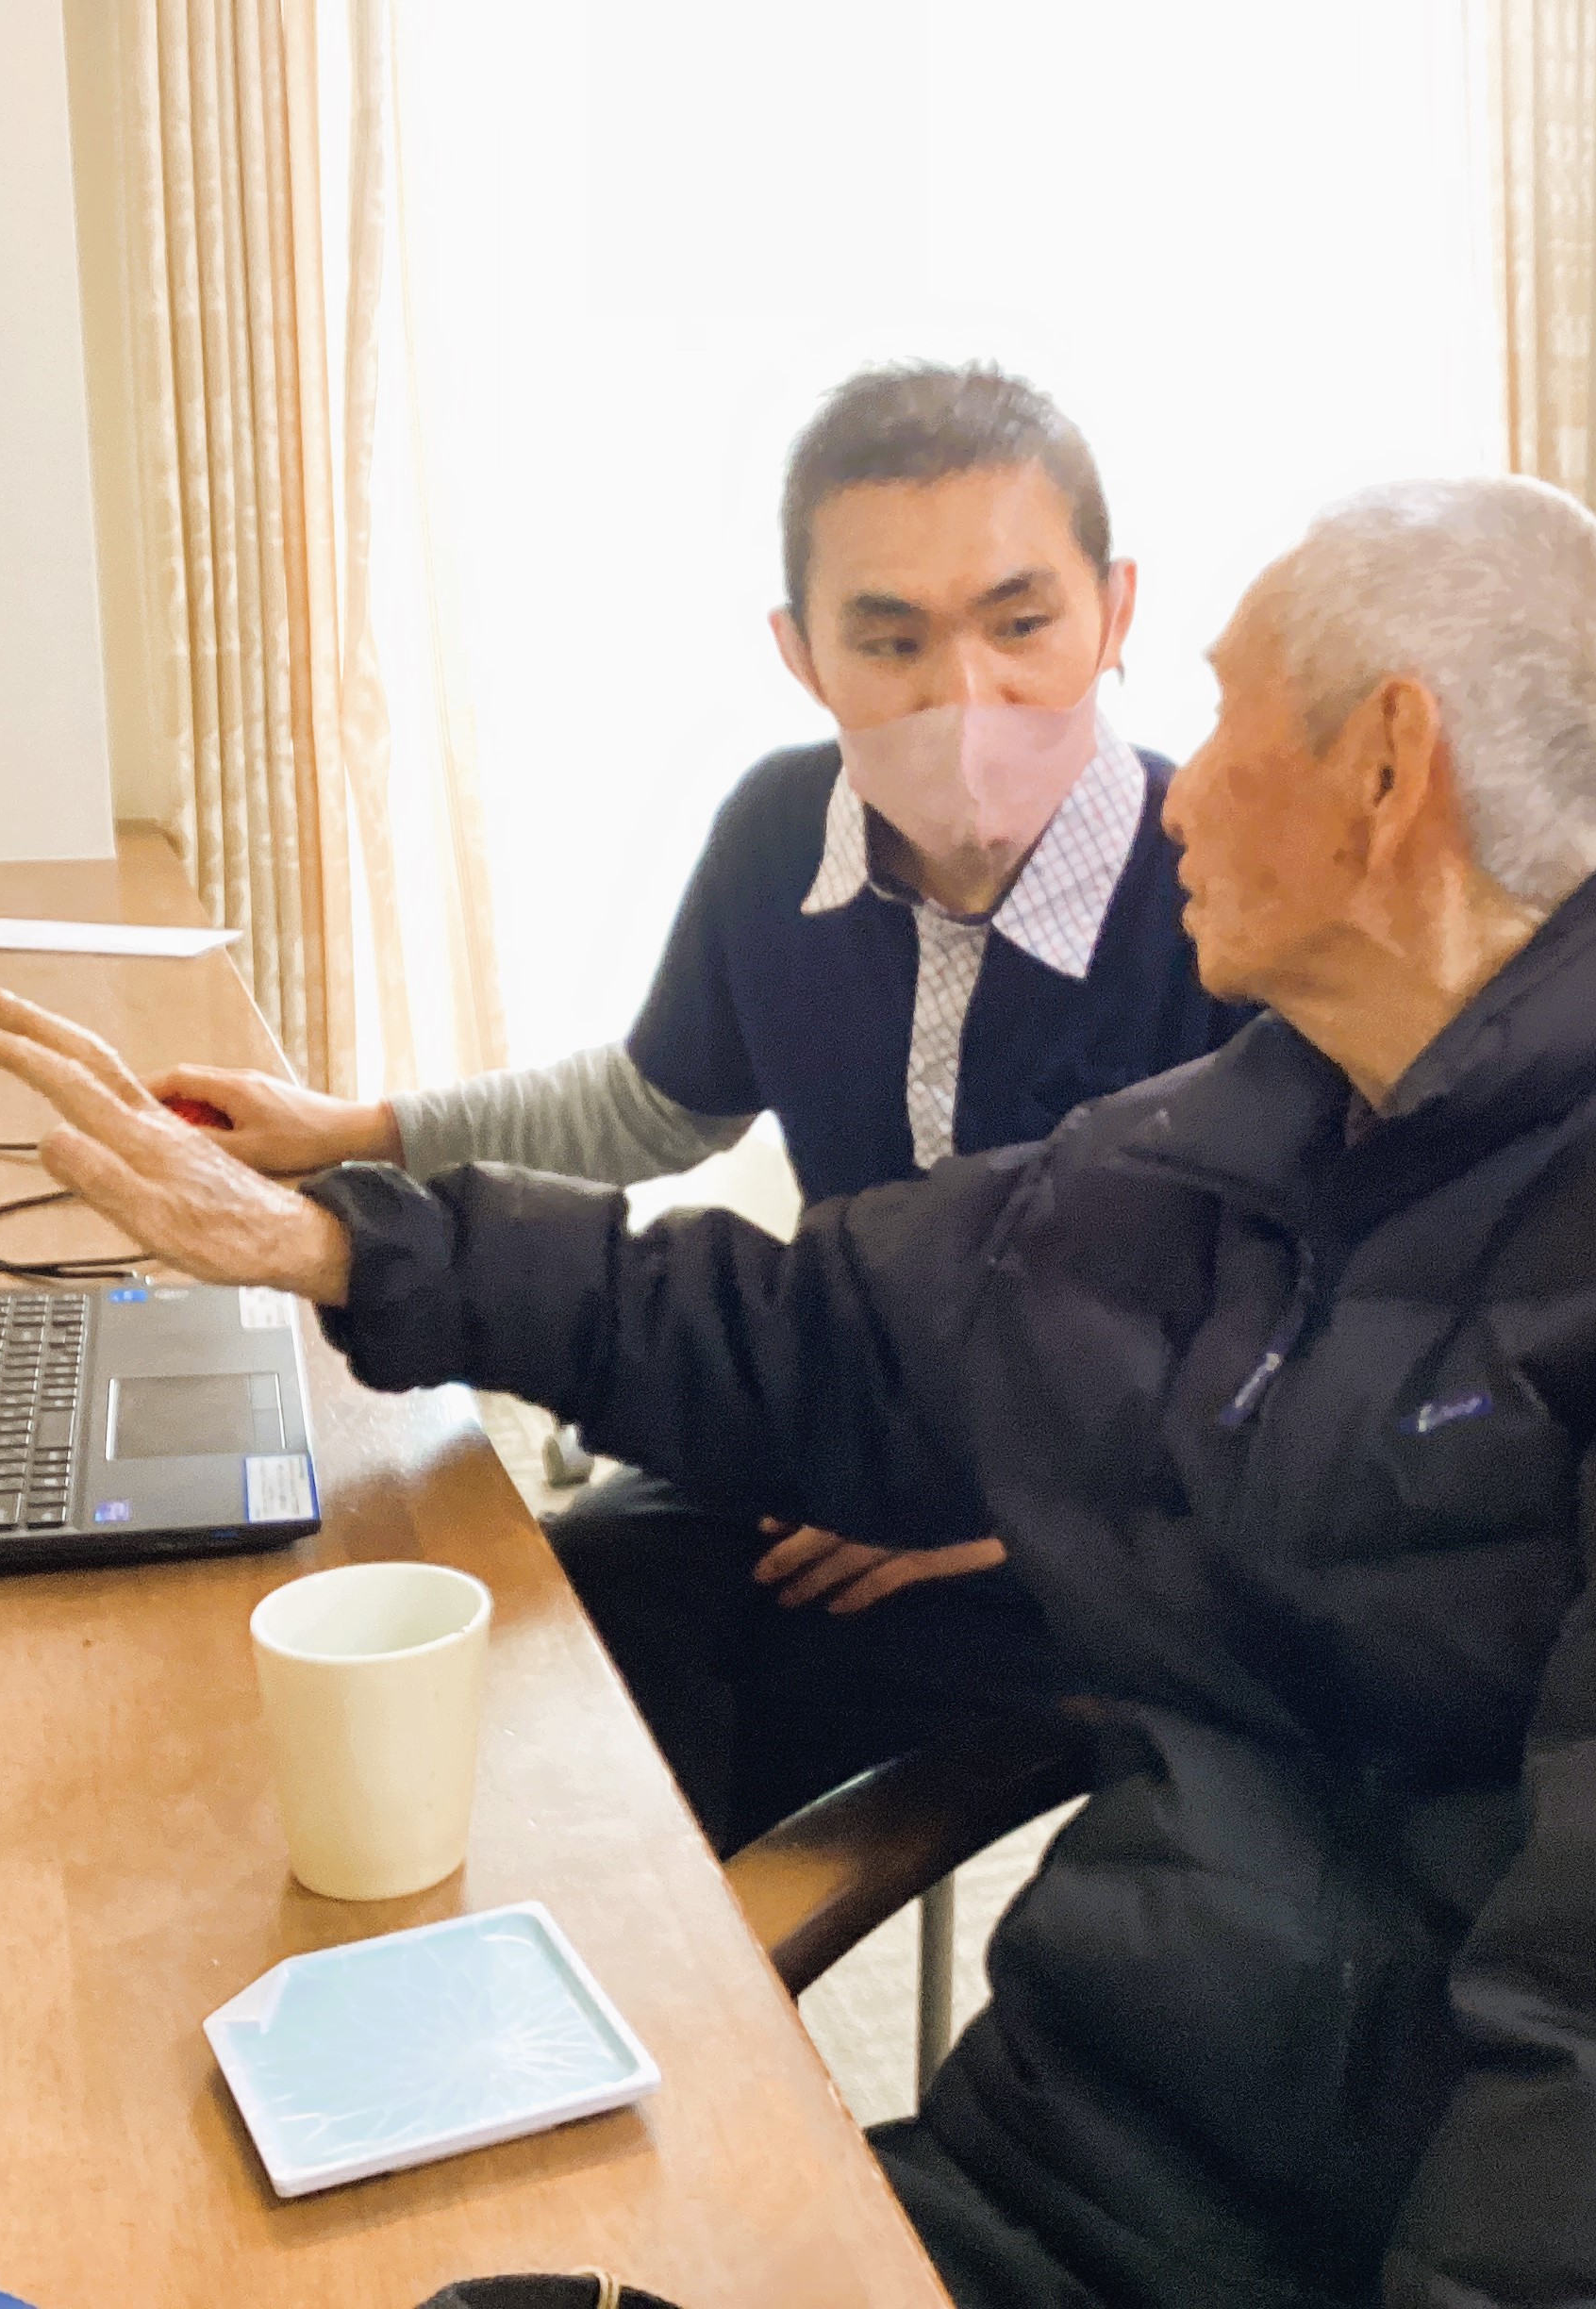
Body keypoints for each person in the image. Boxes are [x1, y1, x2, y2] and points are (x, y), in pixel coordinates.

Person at [0, 475, 1596, 2308]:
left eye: (1224, 715)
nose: (1175, 792)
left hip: (1465, 2223)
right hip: (1109, 2170)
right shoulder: (1224, 1143)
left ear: (1385, 766)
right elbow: (808, 1334)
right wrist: (345, 1243)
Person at [154, 361, 1252, 1850]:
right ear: (803, 655)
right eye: (891, 640)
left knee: (676, 1777)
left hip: (1120, 1532)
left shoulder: (1229, 890)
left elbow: (1316, 1334)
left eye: (1020, 624)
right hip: (830, 1431)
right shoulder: (779, 838)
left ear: (1115, 616)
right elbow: (653, 1106)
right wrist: (359, 1133)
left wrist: (1032, 1522)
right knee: (548, 1663)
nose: (964, 694)